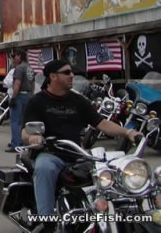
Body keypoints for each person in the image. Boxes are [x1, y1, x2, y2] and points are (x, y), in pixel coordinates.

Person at [21, 60, 141, 231]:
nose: (72, 76)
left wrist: (128, 132)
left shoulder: (78, 100)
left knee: (106, 173)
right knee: (44, 169)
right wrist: (34, 139)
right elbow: (24, 131)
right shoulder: (37, 101)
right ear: (53, 76)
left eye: (72, 72)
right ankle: (46, 222)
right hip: (50, 154)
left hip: (77, 154)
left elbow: (101, 123)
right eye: (67, 72)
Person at [6, 49, 34, 153]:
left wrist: (13, 98)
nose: (13, 58)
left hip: (20, 96)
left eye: (15, 56)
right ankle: (25, 142)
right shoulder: (30, 68)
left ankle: (15, 144)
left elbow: (17, 84)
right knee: (24, 122)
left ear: (19, 56)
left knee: (14, 121)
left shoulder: (19, 68)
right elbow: (33, 84)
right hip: (29, 95)